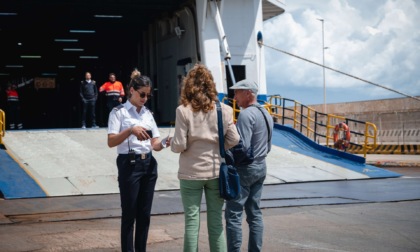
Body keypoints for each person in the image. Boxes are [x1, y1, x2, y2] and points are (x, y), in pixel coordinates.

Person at [171, 64, 239, 252]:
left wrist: (171, 142)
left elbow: (179, 145)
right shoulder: (224, 110)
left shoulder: (183, 110)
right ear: (211, 85)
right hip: (216, 172)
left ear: (189, 86)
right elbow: (235, 138)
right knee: (216, 222)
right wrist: (219, 148)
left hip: (190, 173)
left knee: (192, 223)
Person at [107, 69, 171, 252]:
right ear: (132, 90)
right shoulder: (118, 113)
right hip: (130, 164)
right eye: (142, 94)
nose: (144, 98)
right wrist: (130, 130)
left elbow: (155, 143)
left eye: (148, 95)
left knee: (144, 215)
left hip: (148, 165)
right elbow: (111, 141)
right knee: (129, 214)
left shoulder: (148, 114)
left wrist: (166, 142)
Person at [225, 79, 274, 252]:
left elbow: (242, 147)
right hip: (261, 166)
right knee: (254, 214)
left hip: (246, 170)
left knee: (233, 215)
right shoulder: (266, 114)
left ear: (248, 93)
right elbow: (267, 146)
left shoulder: (246, 115)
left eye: (237, 92)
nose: (234, 96)